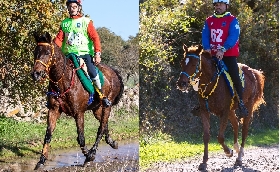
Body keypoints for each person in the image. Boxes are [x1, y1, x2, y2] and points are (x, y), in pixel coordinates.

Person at [54, 0, 111, 107]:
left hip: (84, 54)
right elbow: (58, 40)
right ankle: (53, 96)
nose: (72, 9)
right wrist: (51, 47)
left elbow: (95, 37)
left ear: (79, 8)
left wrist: (97, 53)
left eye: (74, 7)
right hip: (68, 55)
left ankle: (101, 95)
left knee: (92, 71)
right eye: (70, 7)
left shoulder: (86, 21)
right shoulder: (64, 23)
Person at [201, 0, 248, 117]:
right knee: (199, 75)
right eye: (216, 5)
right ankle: (200, 103)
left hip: (228, 55)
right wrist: (206, 48)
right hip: (211, 55)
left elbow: (233, 36)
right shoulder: (209, 21)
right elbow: (205, 35)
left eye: (221, 5)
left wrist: (223, 49)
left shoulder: (232, 20)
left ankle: (241, 103)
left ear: (226, 6)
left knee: (235, 77)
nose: (218, 7)